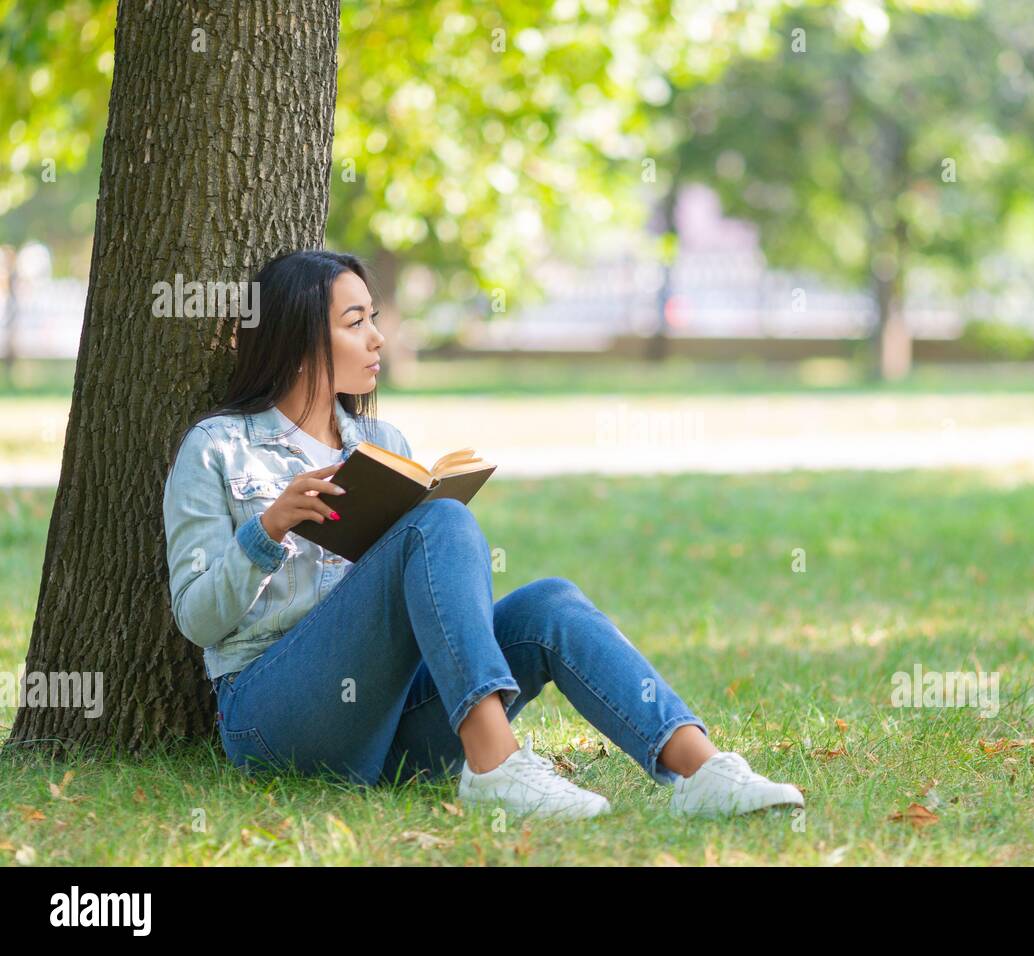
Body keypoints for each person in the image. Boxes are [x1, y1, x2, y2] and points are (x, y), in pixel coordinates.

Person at [162, 249, 805, 820]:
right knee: (438, 522)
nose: (377, 338)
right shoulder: (218, 449)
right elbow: (196, 618)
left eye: (373, 318)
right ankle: (496, 765)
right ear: (300, 339)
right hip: (278, 723)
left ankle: (701, 771)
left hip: (385, 737)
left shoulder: (382, 445)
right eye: (355, 323)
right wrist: (267, 529)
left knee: (547, 602)